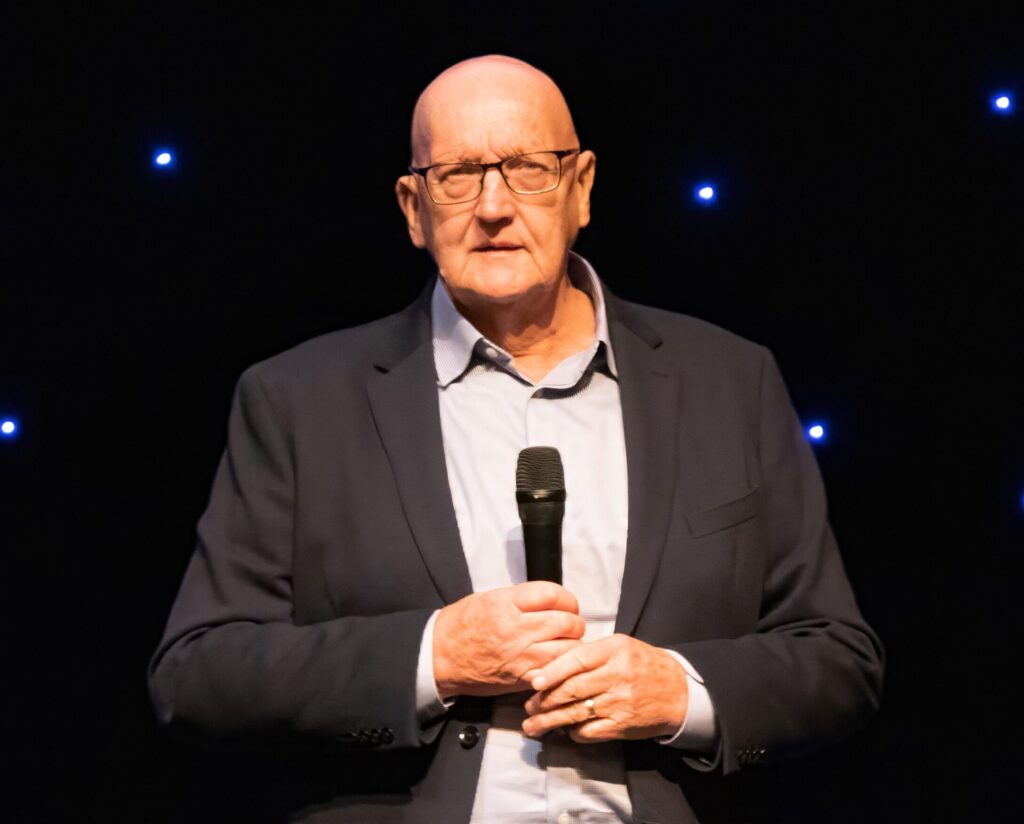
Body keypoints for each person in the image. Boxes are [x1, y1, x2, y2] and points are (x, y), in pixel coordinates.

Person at [149, 55, 883, 823]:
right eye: (459, 175)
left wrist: (683, 693)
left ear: (582, 187)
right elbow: (199, 674)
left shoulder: (730, 381)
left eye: (528, 168)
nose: (494, 206)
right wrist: (435, 656)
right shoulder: (299, 400)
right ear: (412, 207)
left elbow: (840, 659)